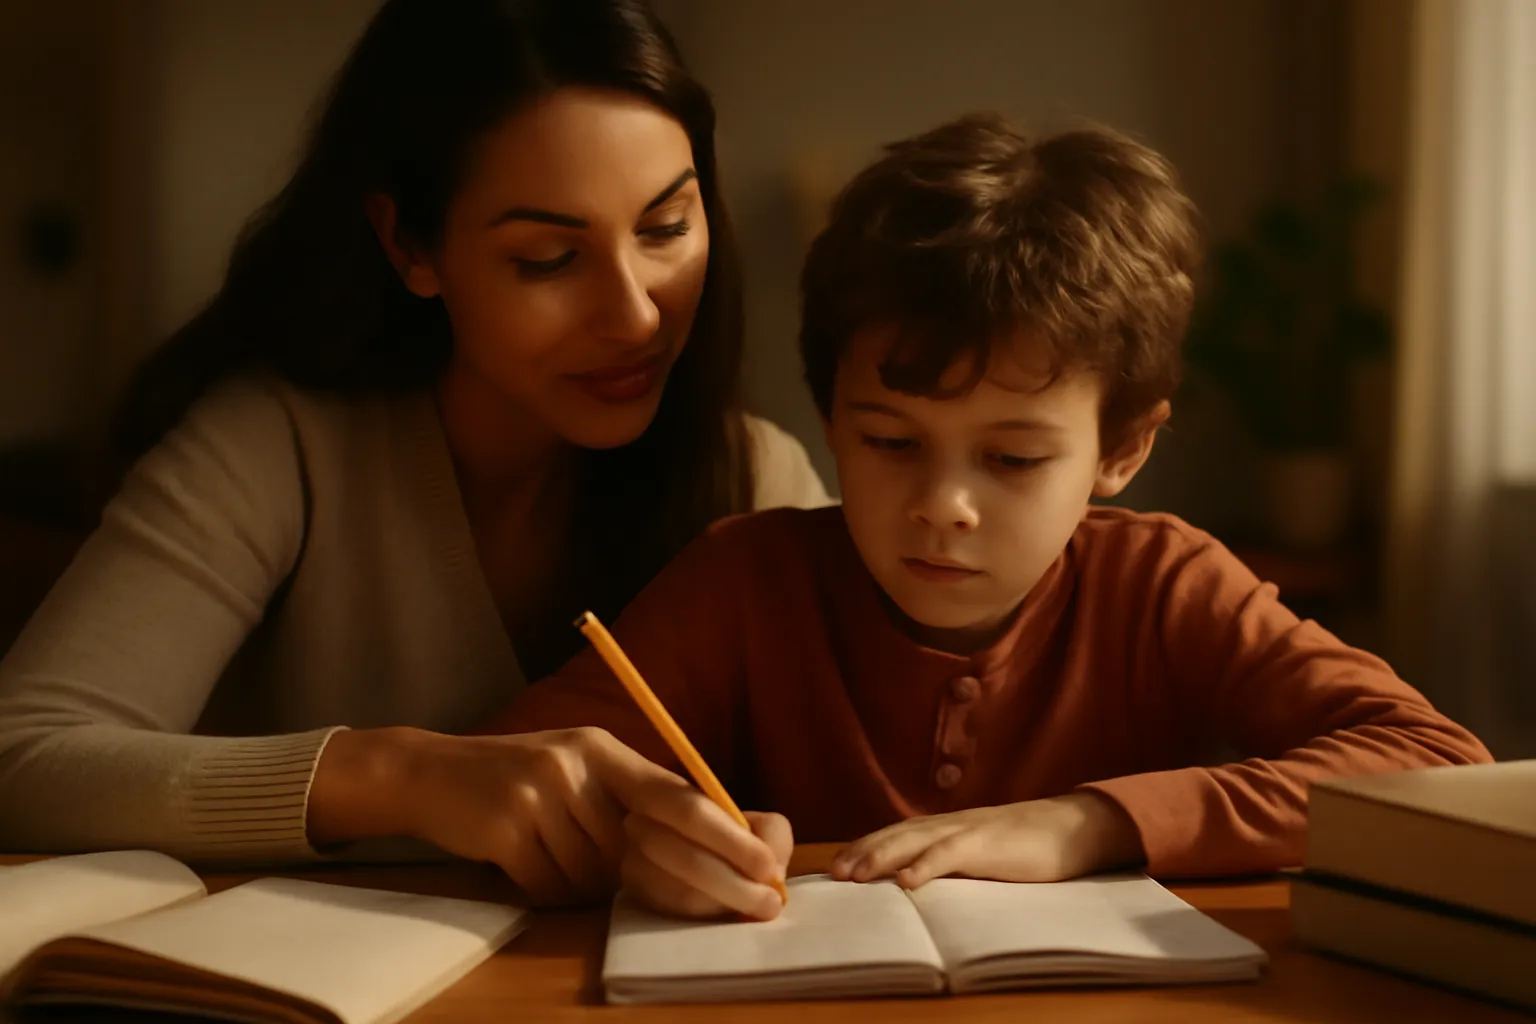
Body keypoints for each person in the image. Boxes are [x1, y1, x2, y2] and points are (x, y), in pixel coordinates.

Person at [483, 114, 1493, 921]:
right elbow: (509, 777)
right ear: (829, 415)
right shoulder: (747, 581)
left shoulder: (1164, 584)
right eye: (889, 441)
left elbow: (1435, 760)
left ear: (1123, 449)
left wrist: (1091, 823)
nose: (942, 507)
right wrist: (639, 841)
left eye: (1012, 458)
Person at [0, 0, 828, 904]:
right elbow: (24, 753)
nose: (634, 314)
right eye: (549, 258)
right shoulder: (280, 448)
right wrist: (402, 776)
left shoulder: (754, 479)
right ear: (408, 244)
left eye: (666, 228)